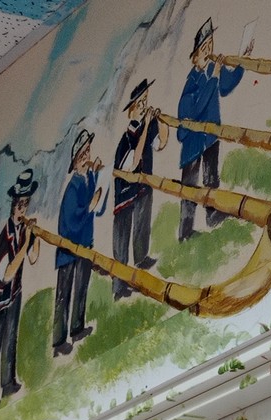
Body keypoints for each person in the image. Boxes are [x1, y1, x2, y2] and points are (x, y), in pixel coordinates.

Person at [176, 17, 250, 242]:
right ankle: (185, 232)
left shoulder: (212, 69)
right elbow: (197, 108)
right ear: (194, 57)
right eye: (204, 48)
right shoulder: (191, 82)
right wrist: (215, 76)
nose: (208, 51)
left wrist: (242, 62)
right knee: (189, 187)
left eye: (210, 45)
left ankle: (213, 215)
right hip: (193, 141)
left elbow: (225, 87)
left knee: (211, 178)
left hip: (210, 136)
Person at [0, 169, 40, 407]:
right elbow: (6, 274)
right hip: (0, 298)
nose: (23, 210)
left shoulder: (22, 232)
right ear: (13, 206)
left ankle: (8, 382)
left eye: (26, 205)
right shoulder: (4, 237)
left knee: (11, 338)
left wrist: (34, 237)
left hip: (15, 294)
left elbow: (33, 258)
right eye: (20, 205)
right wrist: (25, 243)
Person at [113, 78, 169, 298]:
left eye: (146, 101)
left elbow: (161, 143)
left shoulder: (148, 126)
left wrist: (160, 121)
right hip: (125, 194)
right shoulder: (126, 139)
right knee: (122, 238)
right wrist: (146, 126)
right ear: (132, 111)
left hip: (143, 186)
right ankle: (119, 285)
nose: (144, 106)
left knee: (142, 224)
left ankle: (141, 259)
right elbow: (134, 162)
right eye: (140, 103)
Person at [54, 128, 104, 357]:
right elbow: (71, 220)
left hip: (84, 244)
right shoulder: (72, 187)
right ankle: (58, 340)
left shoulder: (87, 179)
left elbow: (95, 198)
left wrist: (96, 174)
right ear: (74, 162)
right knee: (63, 293)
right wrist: (89, 207)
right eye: (82, 155)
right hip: (68, 249)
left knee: (82, 286)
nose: (86, 157)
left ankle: (77, 328)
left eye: (87, 152)